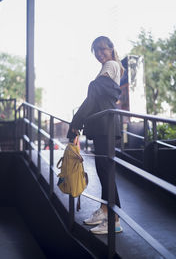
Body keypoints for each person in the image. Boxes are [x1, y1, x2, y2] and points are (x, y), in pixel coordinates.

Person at [67, 36, 124, 235]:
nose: (100, 54)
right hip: (103, 126)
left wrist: (76, 122)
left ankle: (114, 219)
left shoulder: (111, 65)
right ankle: (105, 210)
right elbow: (95, 97)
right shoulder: (108, 67)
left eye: (103, 49)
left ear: (111, 49)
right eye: (96, 51)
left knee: (106, 170)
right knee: (103, 169)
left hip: (106, 125)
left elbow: (93, 96)